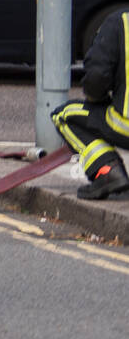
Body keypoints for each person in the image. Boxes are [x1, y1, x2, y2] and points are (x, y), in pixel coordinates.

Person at [51, 10, 129, 200]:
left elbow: (96, 77)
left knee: (64, 115)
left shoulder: (120, 22)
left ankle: (108, 169)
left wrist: (97, 100)